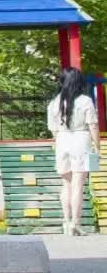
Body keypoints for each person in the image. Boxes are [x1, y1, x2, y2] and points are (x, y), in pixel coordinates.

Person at [47, 67, 100, 236]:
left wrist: (60, 141)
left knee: (66, 184)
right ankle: (75, 224)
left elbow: (53, 129)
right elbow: (93, 125)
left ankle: (66, 221)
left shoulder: (54, 103)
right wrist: (97, 146)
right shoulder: (85, 101)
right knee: (78, 185)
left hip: (62, 141)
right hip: (81, 140)